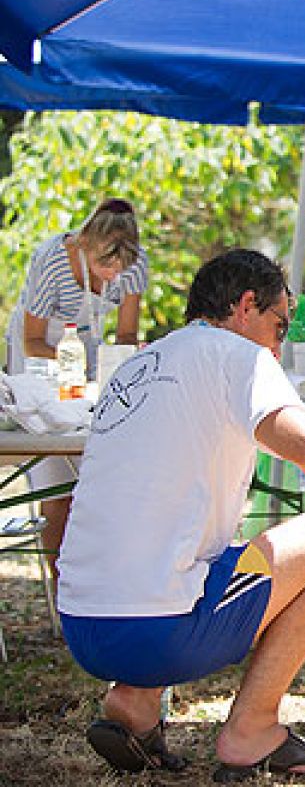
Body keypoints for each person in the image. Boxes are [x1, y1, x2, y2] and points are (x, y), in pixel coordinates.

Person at [55, 249, 305, 778]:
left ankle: (134, 703)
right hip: (158, 629)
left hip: (81, 623)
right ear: (247, 306)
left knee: (193, 552)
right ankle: (251, 730)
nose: (278, 348)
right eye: (280, 328)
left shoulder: (139, 363)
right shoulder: (237, 355)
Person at [4, 197, 148, 586]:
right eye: (104, 269)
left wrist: (119, 364)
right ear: (84, 244)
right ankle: (59, 581)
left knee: (103, 479)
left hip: (88, 358)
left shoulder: (133, 264)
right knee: (57, 480)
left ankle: (104, 582)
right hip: (43, 358)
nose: (110, 281)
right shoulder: (52, 260)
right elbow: (33, 339)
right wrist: (77, 373)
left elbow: (127, 334)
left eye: (119, 273)